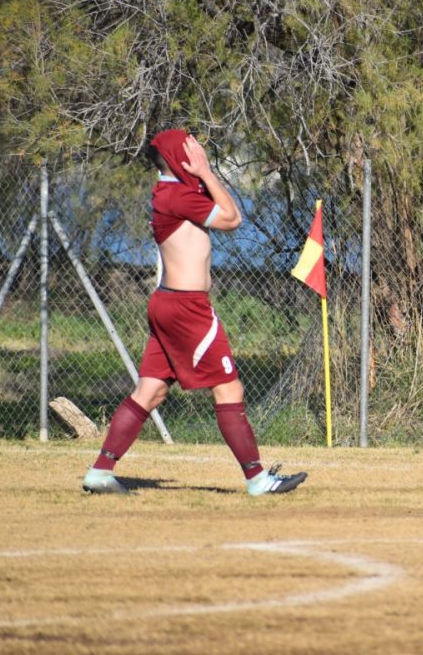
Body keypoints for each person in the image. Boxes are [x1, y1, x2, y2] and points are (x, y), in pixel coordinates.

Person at [82, 129, 307, 496]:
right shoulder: (179, 194)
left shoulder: (172, 192)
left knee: (150, 391)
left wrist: (200, 175)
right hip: (188, 308)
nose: (200, 153)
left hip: (168, 303)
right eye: (193, 149)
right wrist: (205, 172)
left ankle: (100, 472)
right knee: (229, 387)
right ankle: (257, 479)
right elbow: (233, 219)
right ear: (178, 159)